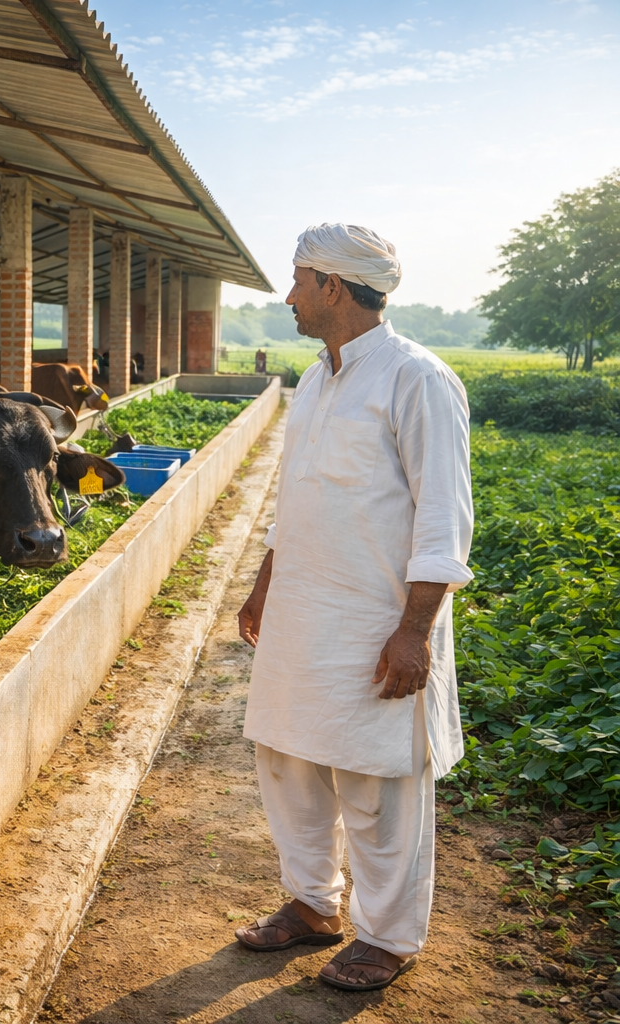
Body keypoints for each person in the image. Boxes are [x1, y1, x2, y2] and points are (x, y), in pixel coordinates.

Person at [233, 223, 473, 992]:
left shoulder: (416, 379)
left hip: (375, 617)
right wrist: (267, 578)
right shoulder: (314, 377)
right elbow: (296, 493)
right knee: (289, 756)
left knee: (377, 781)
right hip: (303, 608)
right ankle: (312, 904)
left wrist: (414, 631)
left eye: (300, 279)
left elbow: (443, 517)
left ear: (334, 287)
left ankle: (390, 937)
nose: (290, 294)